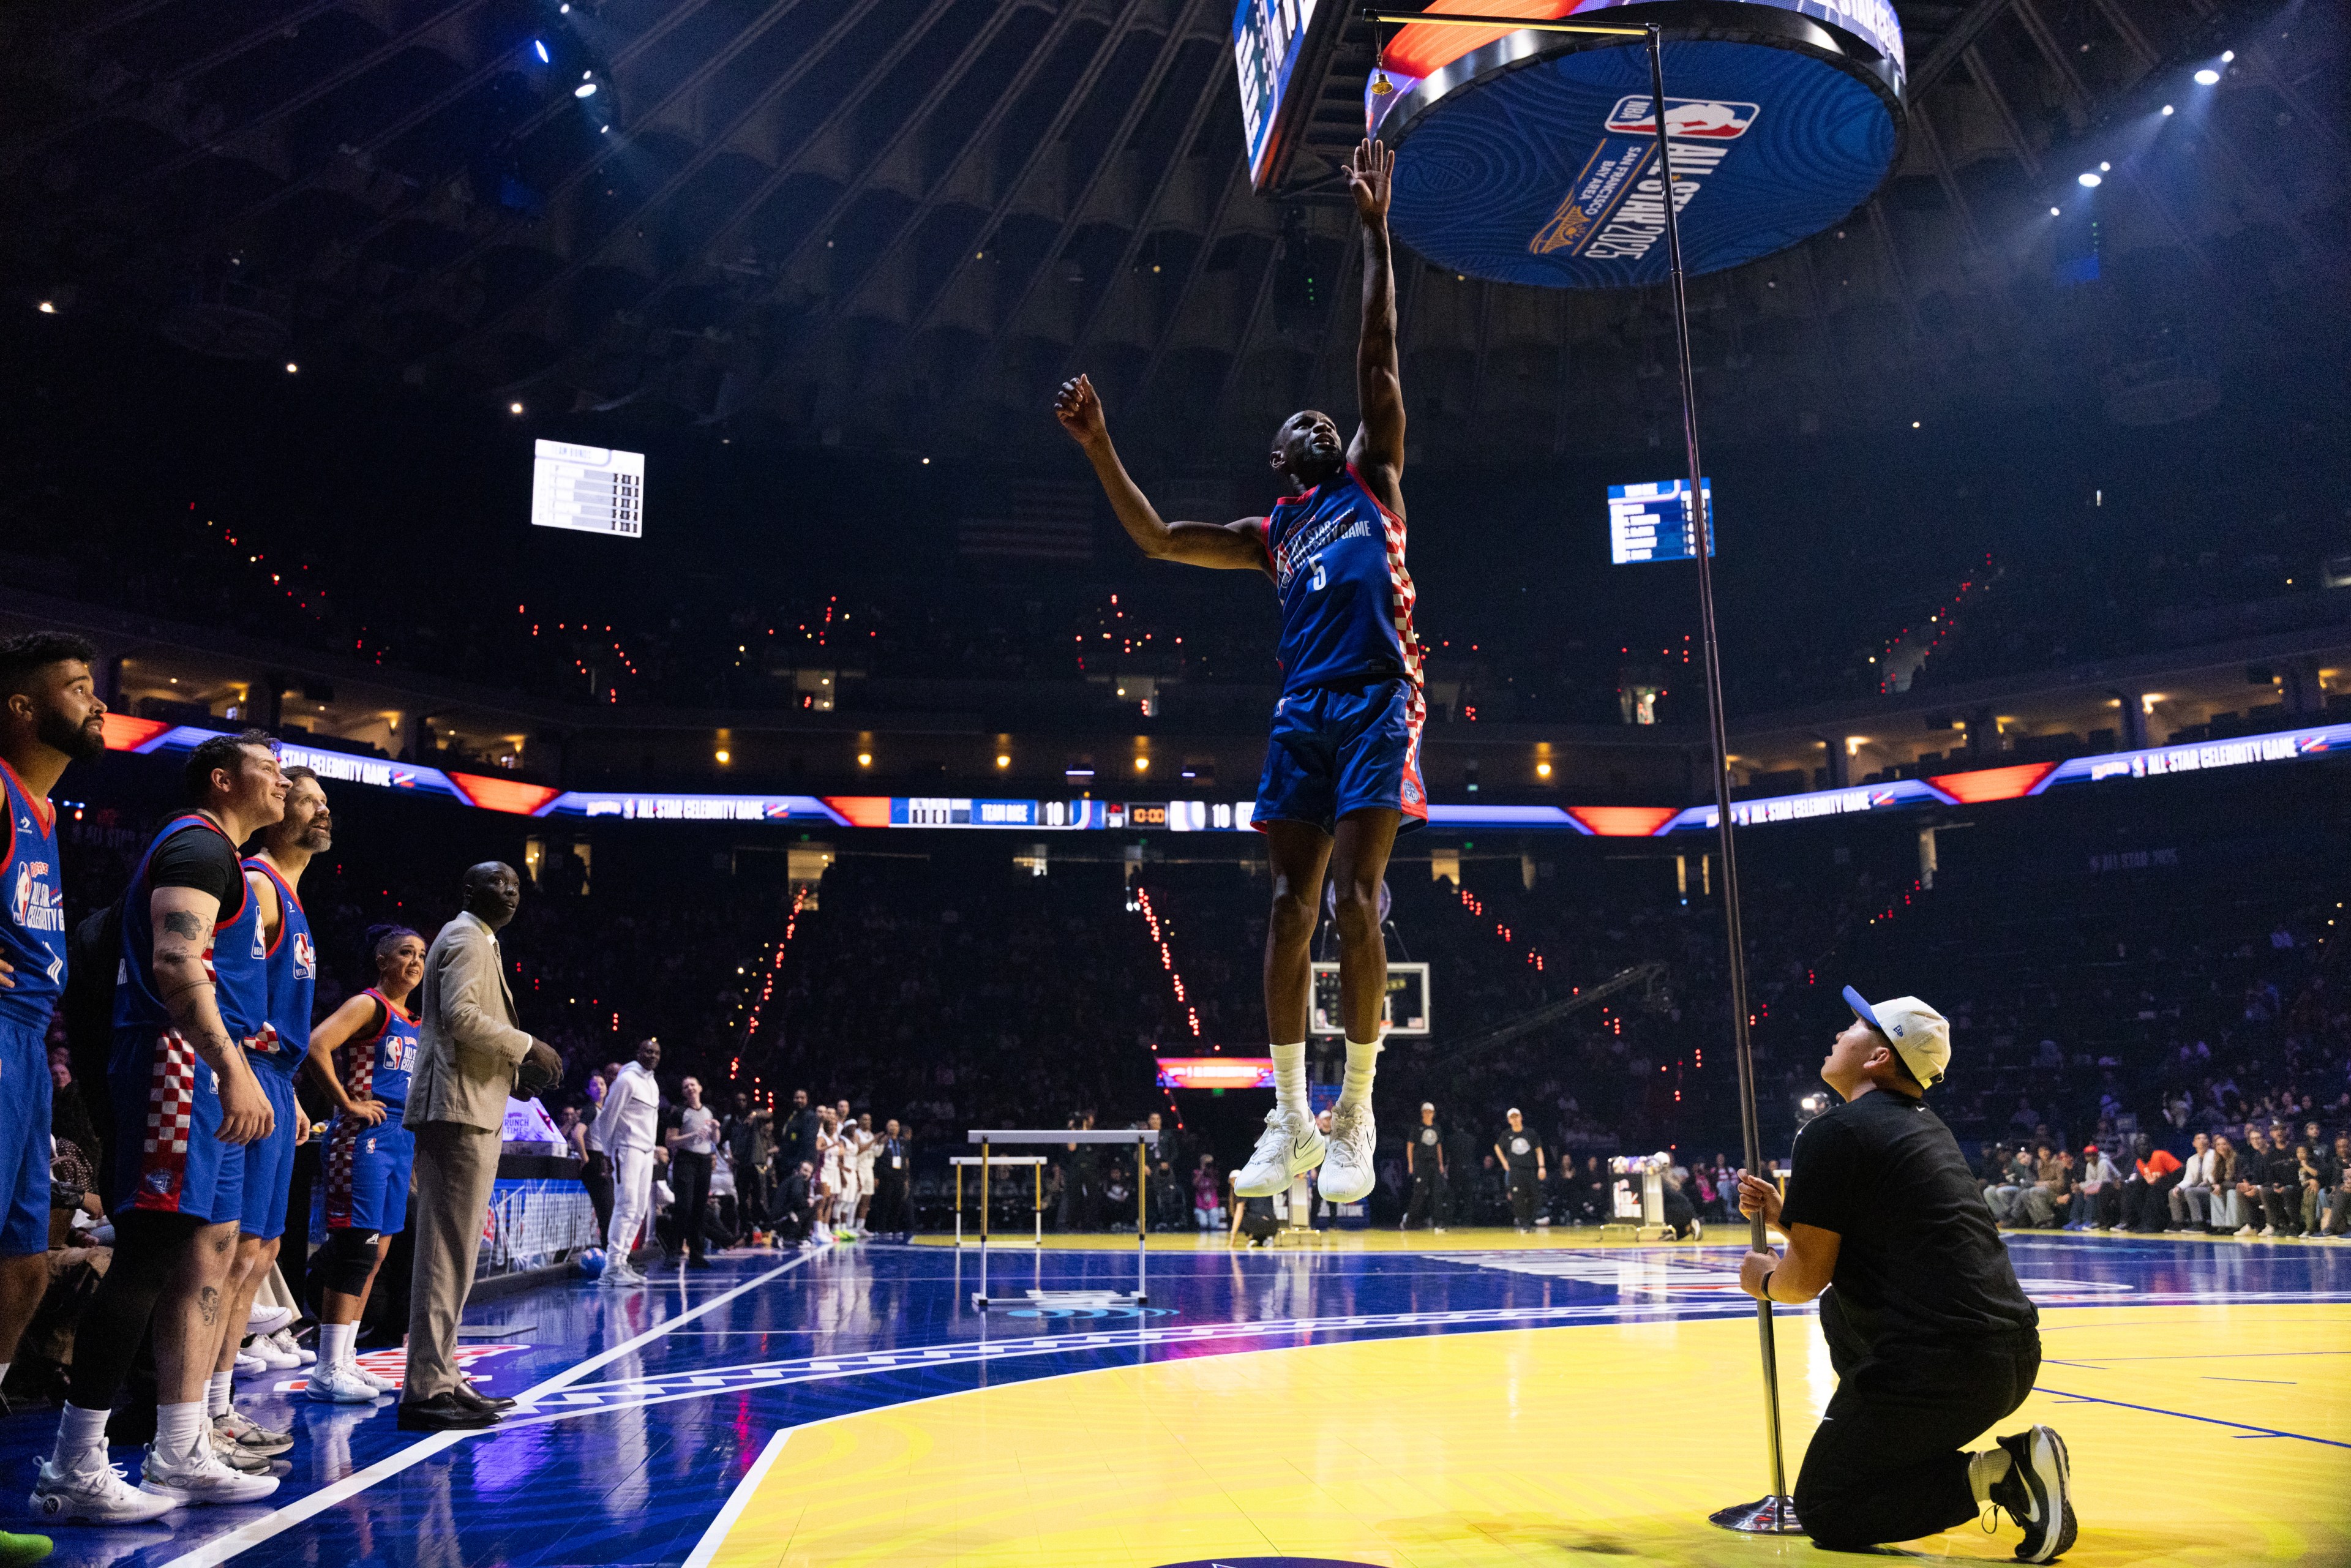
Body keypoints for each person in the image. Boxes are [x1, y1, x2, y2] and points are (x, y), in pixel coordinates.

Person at [1056, 138, 1413, 1214]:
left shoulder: (1374, 478)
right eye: (1294, 423)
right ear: (1277, 458)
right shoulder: (1272, 533)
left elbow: (1379, 358)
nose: (1316, 419)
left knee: (1358, 902)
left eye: (1325, 419)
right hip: (1303, 712)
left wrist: (1373, 230)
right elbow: (1162, 539)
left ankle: (1357, 1113)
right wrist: (1099, 446)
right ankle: (1294, 1118)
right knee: (1286, 914)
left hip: (1377, 698)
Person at [35, 729, 287, 1523]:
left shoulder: (219, 854)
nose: (280, 780)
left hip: (199, 1068)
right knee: (146, 1253)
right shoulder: (198, 845)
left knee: (195, 1253)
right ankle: (75, 1464)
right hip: (177, 1065)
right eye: (268, 769)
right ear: (222, 780)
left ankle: (181, 1447)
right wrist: (233, 1065)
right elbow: (178, 967)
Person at [1735, 988, 2072, 1561]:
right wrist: (1785, 1218)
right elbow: (1878, 1243)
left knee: (1827, 1506)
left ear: (1877, 1058)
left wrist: (1760, 1278)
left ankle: (2005, 1473)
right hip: (2004, 1356)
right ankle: (1963, 1458)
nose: (1840, 1033)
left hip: (1939, 1369)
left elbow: (1800, 1282)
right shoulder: (1922, 1127)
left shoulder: (1834, 1132)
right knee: (1841, 1309)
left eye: (1855, 1026)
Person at [1, 632, 107, 1550]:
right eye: (78, 687)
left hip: (30, 1045)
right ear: (23, 707)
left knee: (27, 1261)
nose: (98, 700)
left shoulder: (40, 806)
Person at [399, 863, 561, 1433]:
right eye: (500, 884)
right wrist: (527, 1046)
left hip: (471, 1104)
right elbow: (464, 1017)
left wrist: (512, 1073)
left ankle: (441, 1374)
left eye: (518, 885)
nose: (512, 894)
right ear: (470, 891)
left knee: (457, 1255)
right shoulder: (467, 935)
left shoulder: (477, 937)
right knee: (445, 1254)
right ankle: (424, 1388)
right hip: (457, 1111)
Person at [200, 766, 331, 1466]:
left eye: (322, 801)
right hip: (247, 1075)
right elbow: (223, 994)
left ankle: (219, 1406)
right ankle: (201, 1412)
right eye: (307, 798)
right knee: (229, 1250)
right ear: (277, 812)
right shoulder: (255, 884)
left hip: (279, 1081)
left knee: (262, 1251)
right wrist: (245, 1074)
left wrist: (294, 1091)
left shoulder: (295, 898)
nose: (319, 810)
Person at [302, 926, 425, 1402]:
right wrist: (346, 1103)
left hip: (399, 1137)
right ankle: (327, 1368)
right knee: (356, 1247)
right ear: (382, 959)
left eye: (420, 954)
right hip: (363, 1136)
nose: (415, 961)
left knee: (378, 1253)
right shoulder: (368, 1004)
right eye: (405, 953)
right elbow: (317, 1044)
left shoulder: (413, 1019)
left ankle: (347, 1360)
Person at [599, 1037, 663, 1281]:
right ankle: (611, 1267)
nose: (653, 1056)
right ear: (639, 1053)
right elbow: (607, 1118)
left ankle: (622, 1261)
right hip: (627, 1148)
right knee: (626, 1205)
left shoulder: (653, 1084)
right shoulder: (626, 1080)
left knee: (638, 1210)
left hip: (646, 1152)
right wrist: (607, 1152)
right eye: (648, 1051)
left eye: (656, 1053)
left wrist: (653, 1148)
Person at [666, 1075, 718, 1268]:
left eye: (693, 1084)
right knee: (684, 1206)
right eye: (686, 1086)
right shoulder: (680, 1112)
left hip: (704, 1161)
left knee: (699, 1208)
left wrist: (715, 1132)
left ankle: (697, 1254)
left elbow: (715, 1139)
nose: (690, 1088)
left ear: (700, 1088)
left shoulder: (709, 1111)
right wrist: (692, 1135)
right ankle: (674, 1250)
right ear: (683, 1092)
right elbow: (670, 1141)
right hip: (686, 1160)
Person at [1496, 1109, 1546, 1232]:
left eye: (1516, 1117)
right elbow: (1497, 1147)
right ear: (1509, 1120)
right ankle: (1524, 1223)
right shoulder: (1506, 1134)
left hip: (1530, 1169)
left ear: (1521, 1117)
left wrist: (1542, 1167)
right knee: (1518, 1198)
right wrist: (1504, 1163)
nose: (1515, 1119)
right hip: (1515, 1170)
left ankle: (1529, 1219)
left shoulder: (1530, 1133)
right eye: (1512, 1118)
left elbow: (1539, 1150)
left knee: (1535, 1196)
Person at [2119, 1133, 2181, 1232]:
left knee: (2154, 1189)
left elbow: (2180, 1172)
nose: (2142, 1148)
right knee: (2134, 1189)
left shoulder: (2160, 1155)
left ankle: (2153, 1225)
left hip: (2170, 1185)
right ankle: (2135, 1222)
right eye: (2139, 1146)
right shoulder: (2139, 1162)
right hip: (2154, 1187)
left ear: (2150, 1145)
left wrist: (2161, 1180)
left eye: (2144, 1145)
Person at [1403, 1102, 1445, 1231]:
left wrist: (1441, 1164)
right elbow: (1410, 1146)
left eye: (1430, 1112)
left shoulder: (1437, 1128)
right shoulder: (1417, 1128)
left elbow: (1439, 1147)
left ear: (1433, 1114)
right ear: (1422, 1113)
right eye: (1426, 1111)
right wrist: (1411, 1164)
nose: (1428, 1114)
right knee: (1419, 1193)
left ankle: (1439, 1222)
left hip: (1434, 1164)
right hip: (1421, 1164)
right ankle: (1409, 1221)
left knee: (1437, 1193)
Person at [870, 1117, 910, 1239]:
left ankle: (894, 1228)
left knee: (897, 1204)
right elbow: (876, 1159)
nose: (894, 1128)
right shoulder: (883, 1141)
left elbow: (907, 1160)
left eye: (896, 1126)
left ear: (899, 1129)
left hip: (900, 1177)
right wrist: (876, 1177)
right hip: (885, 1176)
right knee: (884, 1203)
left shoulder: (903, 1142)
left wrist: (907, 1178)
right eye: (891, 1126)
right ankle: (882, 1229)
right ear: (887, 1128)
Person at [2167, 1132, 2215, 1231]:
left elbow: (2216, 1173)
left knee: (2190, 1191)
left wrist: (2207, 1181)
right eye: (2198, 1139)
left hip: (2210, 1187)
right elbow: (2189, 1179)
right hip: (2197, 1189)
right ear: (2194, 1144)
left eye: (2204, 1138)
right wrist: (2179, 1187)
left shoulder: (2215, 1155)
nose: (2202, 1140)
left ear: (2209, 1142)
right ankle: (2179, 1222)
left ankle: (2199, 1223)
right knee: (2173, 1192)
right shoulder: (2191, 1159)